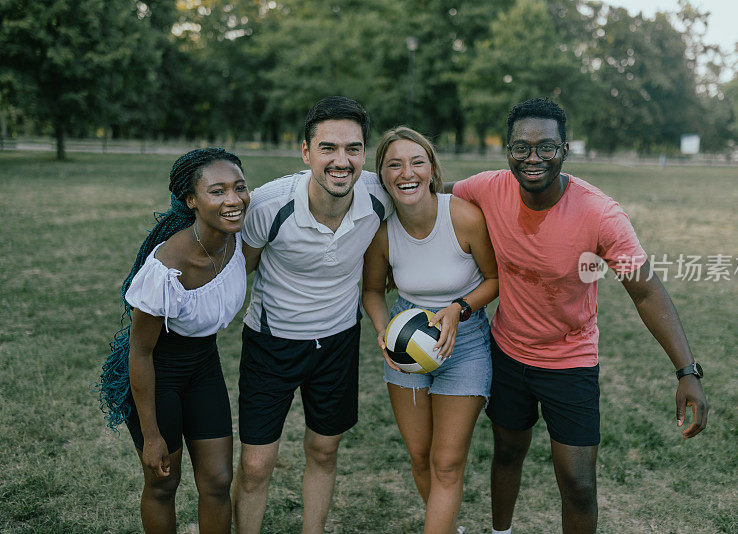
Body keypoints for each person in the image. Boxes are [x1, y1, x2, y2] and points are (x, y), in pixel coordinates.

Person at [445, 98, 709, 534]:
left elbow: (645, 292)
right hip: (507, 351)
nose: (533, 158)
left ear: (565, 150)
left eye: (546, 148)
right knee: (508, 452)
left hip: (570, 361)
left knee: (579, 482)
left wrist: (687, 371)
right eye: (521, 148)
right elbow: (420, 188)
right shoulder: (488, 187)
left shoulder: (599, 214)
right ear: (507, 150)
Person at [232, 96, 393, 534]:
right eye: (328, 148)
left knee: (324, 450)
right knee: (255, 464)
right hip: (272, 341)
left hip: (338, 341)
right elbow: (237, 273)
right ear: (306, 152)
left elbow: (434, 206)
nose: (342, 161)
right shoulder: (268, 206)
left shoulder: (381, 194)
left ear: (364, 152)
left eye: (353, 148)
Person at [97, 147, 250, 533]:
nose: (233, 200)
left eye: (239, 187)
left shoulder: (237, 236)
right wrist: (151, 435)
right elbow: (141, 351)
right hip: (157, 375)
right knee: (163, 483)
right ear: (191, 201)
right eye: (217, 191)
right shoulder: (166, 269)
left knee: (217, 481)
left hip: (204, 367)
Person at [361, 127, 499, 534]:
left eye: (417, 161)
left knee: (446, 462)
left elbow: (495, 279)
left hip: (466, 341)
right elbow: (371, 290)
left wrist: (459, 309)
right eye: (394, 164)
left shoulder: (463, 216)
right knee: (420, 457)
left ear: (432, 169)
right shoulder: (382, 232)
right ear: (383, 176)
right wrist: (385, 331)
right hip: (406, 341)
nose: (407, 172)